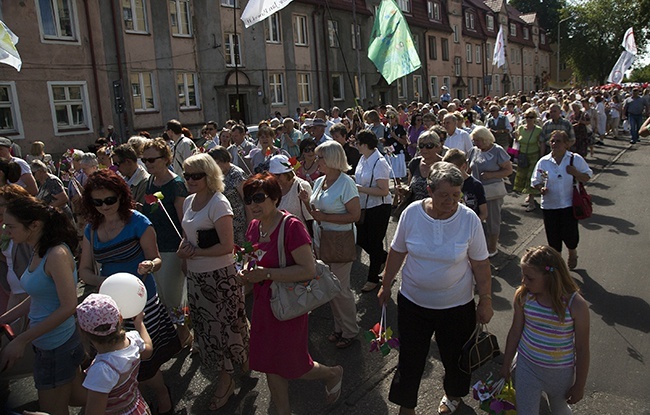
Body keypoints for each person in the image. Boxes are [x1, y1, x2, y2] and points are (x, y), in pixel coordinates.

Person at [378, 162, 493, 415]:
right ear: (429, 191)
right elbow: (397, 252)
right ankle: (406, 405)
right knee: (410, 358)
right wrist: (385, 284)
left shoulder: (469, 219)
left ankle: (453, 397)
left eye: (456, 194)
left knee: (455, 358)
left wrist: (485, 299)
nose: (451, 201)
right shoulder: (411, 213)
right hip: (413, 303)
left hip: (456, 305)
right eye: (444, 195)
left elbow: (481, 265)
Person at [78, 170, 181, 415]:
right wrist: (110, 282)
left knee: (144, 361)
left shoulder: (138, 221)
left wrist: (150, 265)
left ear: (121, 197)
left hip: (140, 300)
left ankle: (162, 394)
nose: (104, 206)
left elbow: (156, 259)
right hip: (109, 307)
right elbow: (84, 271)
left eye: (109, 200)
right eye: (97, 202)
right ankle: (132, 401)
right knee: (118, 362)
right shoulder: (91, 230)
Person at [239, 173, 343, 415]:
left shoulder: (291, 226)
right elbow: (251, 260)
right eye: (248, 199)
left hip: (289, 303)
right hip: (264, 304)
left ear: (275, 198)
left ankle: (332, 373)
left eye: (258, 198)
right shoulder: (255, 227)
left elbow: (308, 269)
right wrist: (245, 272)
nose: (253, 204)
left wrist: (265, 274)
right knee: (269, 364)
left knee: (294, 365)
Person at [177, 153, 249, 411]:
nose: (190, 180)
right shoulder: (187, 202)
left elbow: (228, 246)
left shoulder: (219, 203)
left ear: (209, 176)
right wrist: (184, 253)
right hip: (196, 277)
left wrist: (193, 254)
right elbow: (188, 236)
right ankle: (243, 362)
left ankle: (226, 381)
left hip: (220, 277)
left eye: (196, 175)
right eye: (186, 175)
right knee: (209, 329)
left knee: (223, 330)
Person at [0, 196, 84, 415]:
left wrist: (21, 339)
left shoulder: (55, 254)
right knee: (79, 397)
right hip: (50, 345)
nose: (6, 230)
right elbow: (38, 296)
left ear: (34, 225)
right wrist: (4, 319)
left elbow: (68, 306)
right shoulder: (37, 248)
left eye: (11, 226)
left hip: (56, 347)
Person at [500, 245, 590, 415]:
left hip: (560, 374)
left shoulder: (576, 305)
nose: (524, 282)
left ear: (550, 276)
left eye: (530, 278)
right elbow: (515, 332)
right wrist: (506, 364)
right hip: (527, 367)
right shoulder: (524, 296)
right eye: (523, 275)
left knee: (559, 409)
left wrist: (580, 385)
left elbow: (582, 348)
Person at [310, 141, 361, 348]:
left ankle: (350, 330)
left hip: (340, 242)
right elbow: (317, 211)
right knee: (330, 287)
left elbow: (354, 215)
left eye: (320, 157)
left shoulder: (346, 182)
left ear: (332, 159)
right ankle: (339, 328)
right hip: (322, 239)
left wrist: (325, 217)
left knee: (340, 288)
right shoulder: (319, 181)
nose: (316, 161)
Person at [140, 138, 190, 344]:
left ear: (166, 159)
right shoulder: (149, 183)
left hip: (172, 247)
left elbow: (183, 220)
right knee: (158, 295)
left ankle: (184, 334)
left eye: (152, 160)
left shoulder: (176, 184)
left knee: (173, 296)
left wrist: (185, 250)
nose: (148, 164)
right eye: (145, 160)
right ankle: (175, 335)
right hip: (153, 247)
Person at [77, 294, 154, 415]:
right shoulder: (133, 340)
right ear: (120, 318)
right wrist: (139, 323)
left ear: (83, 331)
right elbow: (148, 351)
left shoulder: (102, 370)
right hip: (136, 406)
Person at [531, 130, 592, 270]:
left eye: (558, 141)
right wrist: (541, 188)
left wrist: (575, 173)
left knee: (570, 236)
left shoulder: (574, 159)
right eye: (552, 141)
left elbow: (587, 177)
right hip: (549, 206)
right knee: (553, 238)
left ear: (566, 144)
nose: (554, 144)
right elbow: (535, 181)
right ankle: (558, 266)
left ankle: (572, 252)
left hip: (568, 204)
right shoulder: (544, 161)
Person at [354, 130, 392, 292]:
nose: (355, 145)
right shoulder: (363, 159)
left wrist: (360, 189)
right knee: (361, 238)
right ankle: (384, 258)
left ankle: (373, 278)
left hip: (379, 207)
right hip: (365, 206)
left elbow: (384, 190)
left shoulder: (380, 162)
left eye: (357, 142)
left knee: (374, 242)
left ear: (364, 144)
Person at [468, 126, 513, 257]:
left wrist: (492, 175)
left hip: (492, 192)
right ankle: (479, 246)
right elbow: (468, 169)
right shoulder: (473, 151)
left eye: (478, 140)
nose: (476, 143)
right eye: (474, 140)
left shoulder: (497, 150)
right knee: (476, 220)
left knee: (493, 220)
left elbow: (508, 170)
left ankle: (492, 247)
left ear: (486, 139)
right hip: (476, 192)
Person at [207, 145, 250, 246]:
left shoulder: (237, 174)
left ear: (224, 160)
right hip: (223, 222)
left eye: (217, 163)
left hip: (239, 222)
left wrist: (250, 223)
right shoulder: (217, 176)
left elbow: (247, 200)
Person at [268, 154, 313, 229]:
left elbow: (310, 217)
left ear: (287, 173)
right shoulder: (272, 188)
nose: (275, 178)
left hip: (299, 235)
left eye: (278, 175)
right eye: (273, 175)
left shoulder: (302, 186)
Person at [442, 149, 487, 221]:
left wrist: (472, 225)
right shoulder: (444, 184)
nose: (449, 172)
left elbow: (483, 213)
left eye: (453, 169)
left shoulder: (475, 185)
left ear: (463, 166)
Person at [514, 108, 543, 211]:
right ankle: (530, 196)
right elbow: (516, 143)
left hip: (534, 156)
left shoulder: (538, 130)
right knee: (523, 177)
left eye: (531, 117)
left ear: (535, 118)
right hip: (523, 156)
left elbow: (542, 144)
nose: (528, 119)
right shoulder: (521, 128)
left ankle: (531, 202)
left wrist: (542, 157)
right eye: (526, 117)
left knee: (531, 178)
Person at [406, 130, 445, 202]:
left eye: (429, 146)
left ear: (437, 146)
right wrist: (403, 191)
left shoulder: (444, 164)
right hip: (416, 208)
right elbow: (410, 187)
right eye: (421, 146)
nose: (424, 149)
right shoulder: (415, 163)